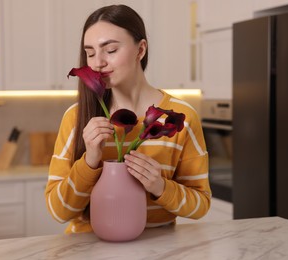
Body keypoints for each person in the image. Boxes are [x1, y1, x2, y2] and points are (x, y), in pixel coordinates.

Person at [45, 4, 211, 234]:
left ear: (140, 50)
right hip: (86, 250)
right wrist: (90, 160)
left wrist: (160, 187)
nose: (97, 63)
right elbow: (57, 211)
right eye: (90, 53)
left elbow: (201, 206)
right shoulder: (75, 117)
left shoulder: (180, 117)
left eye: (110, 50)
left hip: (155, 250)